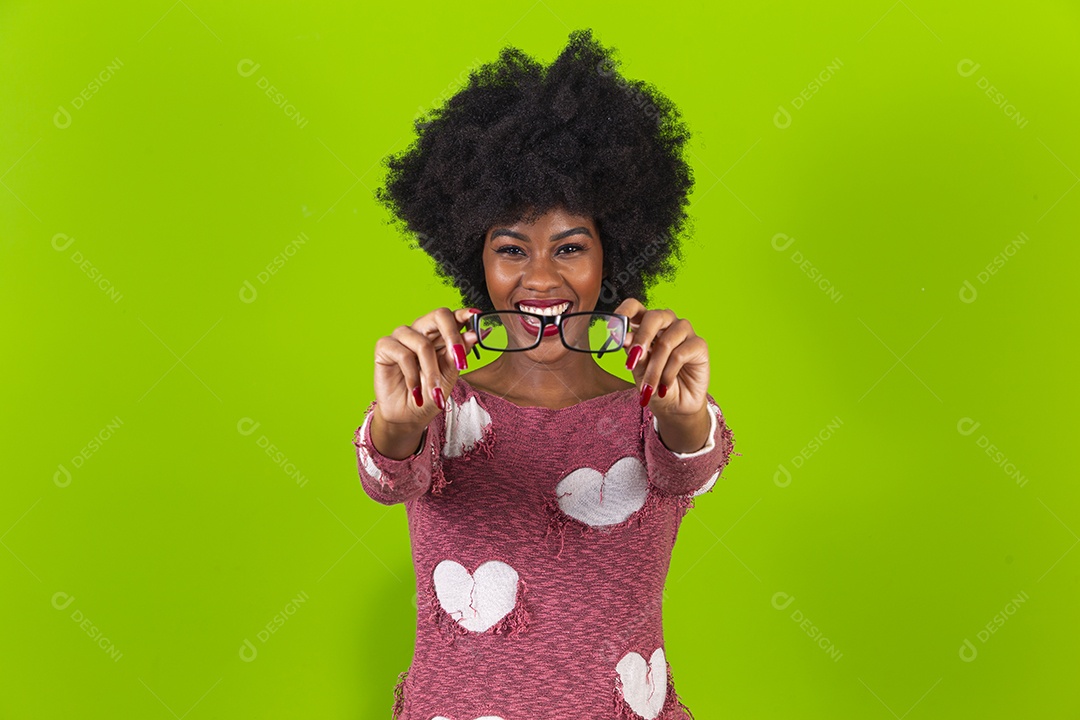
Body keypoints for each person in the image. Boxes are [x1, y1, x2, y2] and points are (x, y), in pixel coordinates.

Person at [353, 28, 737, 720]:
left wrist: (685, 414)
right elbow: (388, 476)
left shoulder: (655, 410)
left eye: (569, 248)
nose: (539, 278)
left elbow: (693, 465)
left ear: (610, 257)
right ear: (476, 262)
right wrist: (399, 423)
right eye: (511, 249)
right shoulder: (440, 403)